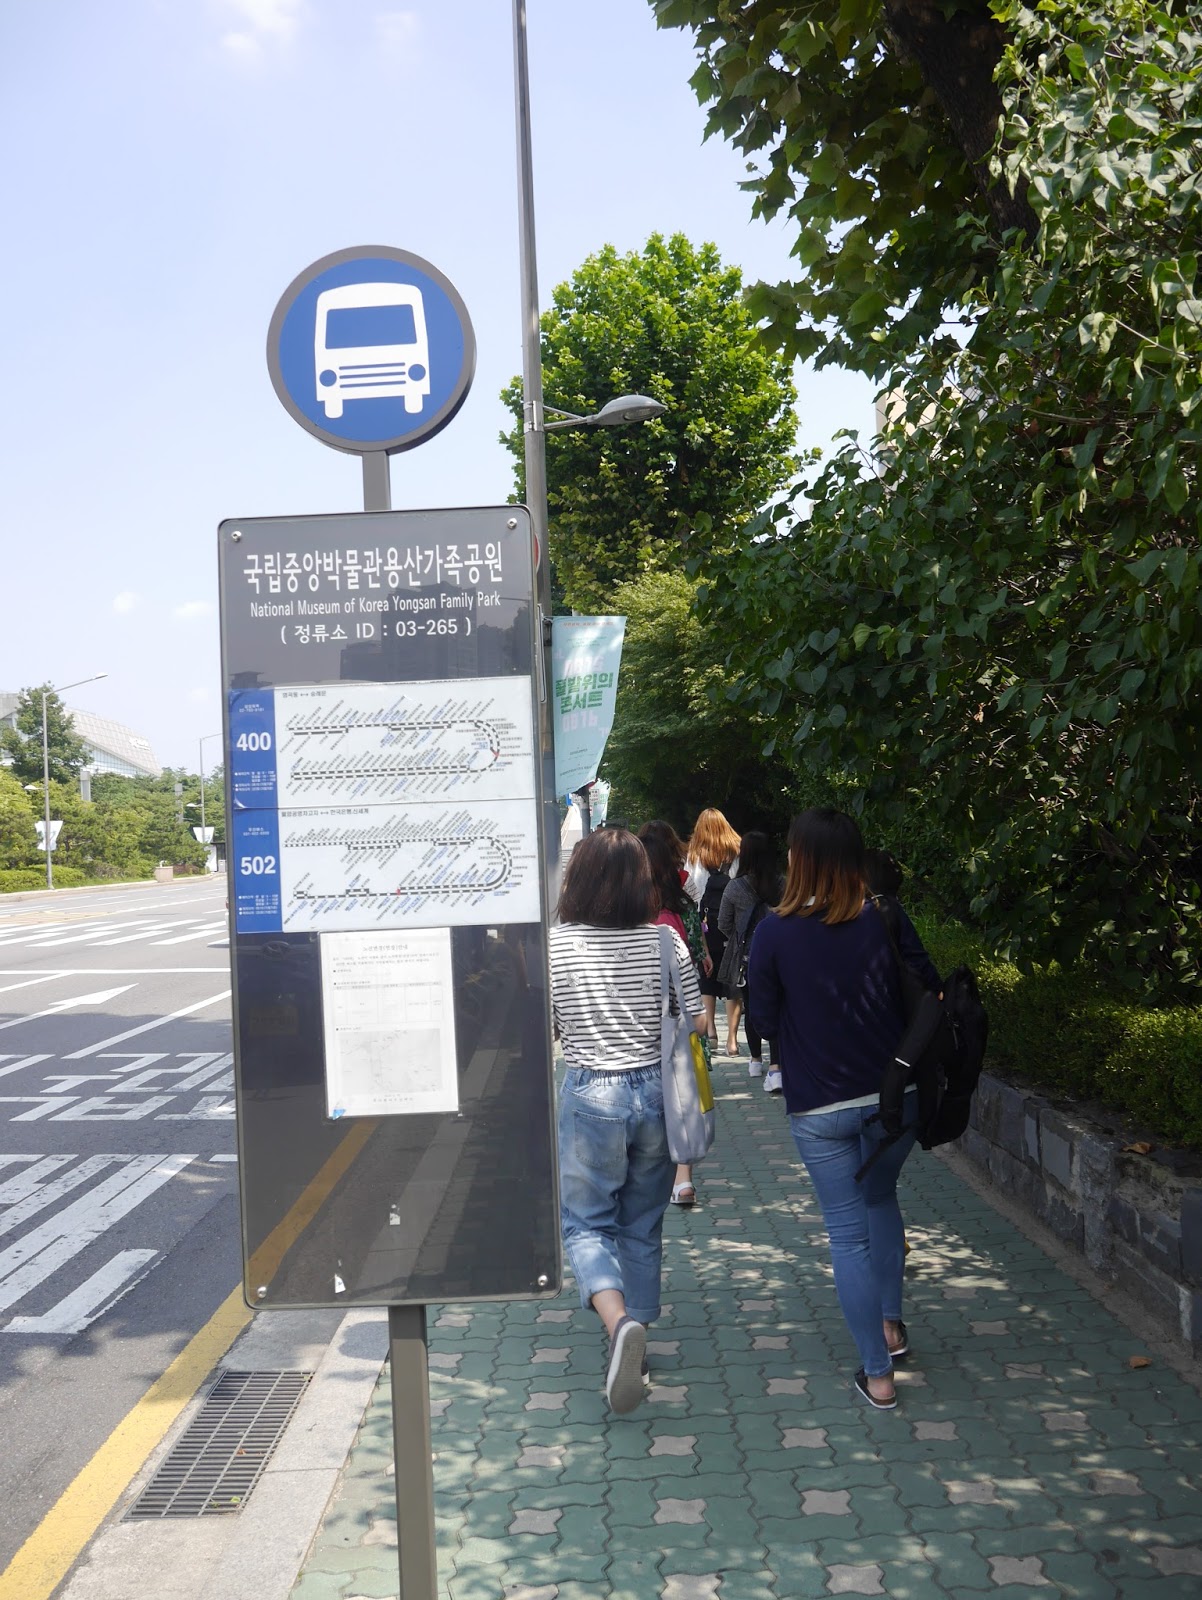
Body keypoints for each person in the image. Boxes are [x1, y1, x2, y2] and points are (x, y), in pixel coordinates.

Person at [747, 808, 941, 1410]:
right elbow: (929, 990)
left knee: (847, 1236)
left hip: (820, 1108)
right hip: (896, 1100)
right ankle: (892, 1326)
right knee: (881, 1198)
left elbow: (763, 1022)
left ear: (798, 860)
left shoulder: (774, 932)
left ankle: (878, 1376)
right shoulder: (884, 917)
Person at [550, 827, 705, 1415]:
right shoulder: (666, 940)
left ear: (579, 878)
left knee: (586, 1224)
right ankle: (636, 1337)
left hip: (592, 1091)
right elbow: (696, 1019)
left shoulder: (557, 944)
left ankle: (619, 1327)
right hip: (657, 1095)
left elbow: (546, 1025)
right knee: (642, 1223)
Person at [640, 821, 710, 1208]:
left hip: (643, 1020)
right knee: (684, 1094)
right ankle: (684, 1180)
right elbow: (695, 949)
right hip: (682, 1012)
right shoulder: (683, 895)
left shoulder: (630, 905)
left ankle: (654, 1172)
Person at [716, 831, 783, 1092]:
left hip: (748, 957)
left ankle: (755, 1060)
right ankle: (776, 1067)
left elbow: (723, 923)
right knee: (779, 1007)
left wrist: (740, 936)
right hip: (778, 955)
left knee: (752, 1006)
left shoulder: (735, 887)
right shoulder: (782, 884)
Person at [683, 808, 741, 1049]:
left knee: (706, 976)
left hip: (705, 923)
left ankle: (712, 1033)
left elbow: (691, 890)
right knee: (732, 978)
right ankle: (733, 1040)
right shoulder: (736, 850)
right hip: (733, 922)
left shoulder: (695, 854)